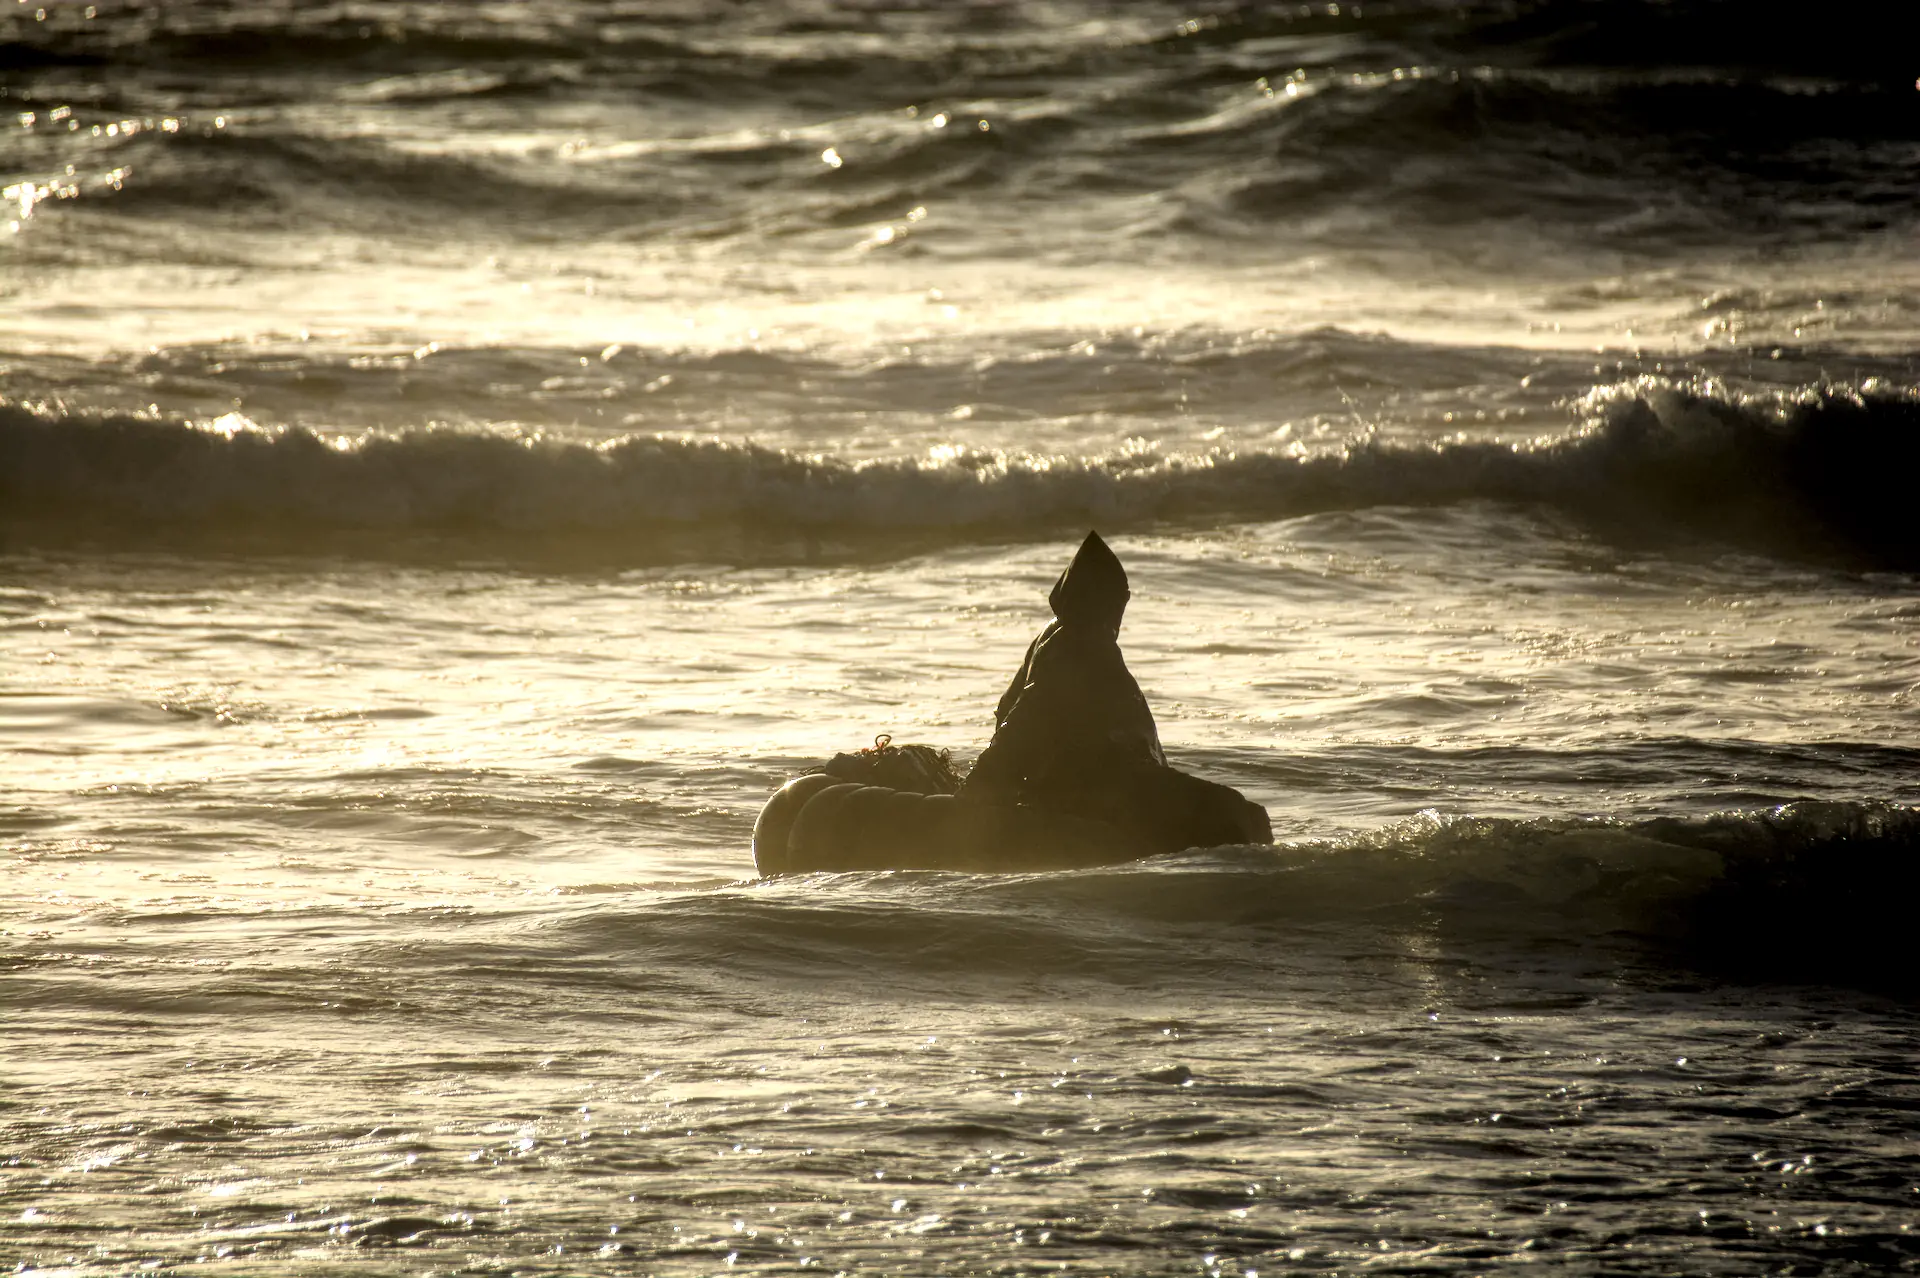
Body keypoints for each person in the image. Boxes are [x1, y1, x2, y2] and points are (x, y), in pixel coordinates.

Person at [963, 531, 1271, 852]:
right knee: (1228, 812)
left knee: (1236, 810)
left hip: (1101, 776)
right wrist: (979, 789)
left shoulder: (1076, 643)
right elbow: (1024, 721)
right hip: (1079, 785)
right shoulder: (1077, 647)